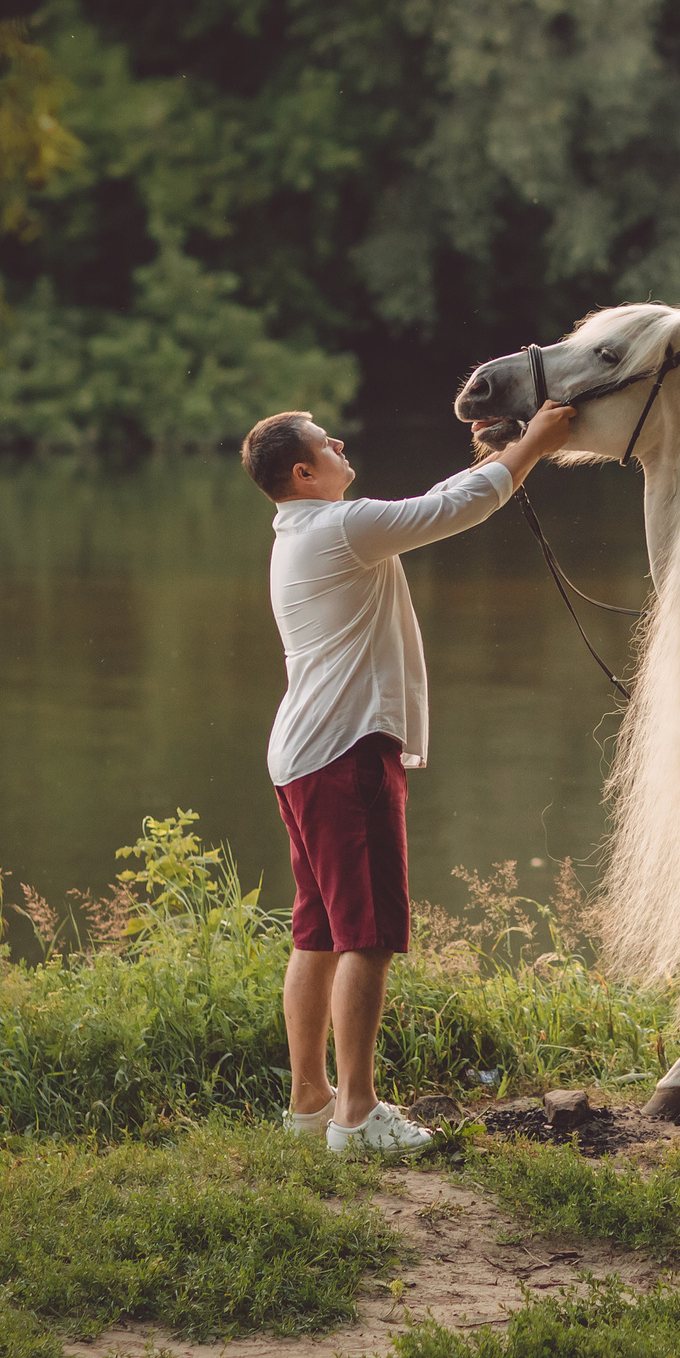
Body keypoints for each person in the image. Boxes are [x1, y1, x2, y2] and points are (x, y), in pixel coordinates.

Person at [243, 403, 576, 1156]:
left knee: (319, 931)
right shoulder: (338, 526)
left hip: (303, 753)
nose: (338, 443)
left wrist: (511, 450)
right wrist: (537, 445)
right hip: (345, 752)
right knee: (367, 936)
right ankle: (356, 1115)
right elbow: (453, 506)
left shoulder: (299, 534)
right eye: (324, 443)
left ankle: (309, 1102)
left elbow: (438, 498)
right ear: (302, 473)